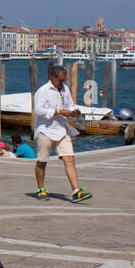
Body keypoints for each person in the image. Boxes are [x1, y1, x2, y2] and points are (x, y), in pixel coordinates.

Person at [33, 65, 91, 201]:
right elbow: (39, 111)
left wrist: (73, 111)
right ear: (53, 78)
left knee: (69, 158)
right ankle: (40, 188)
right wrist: (58, 112)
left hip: (61, 129)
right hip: (45, 130)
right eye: (60, 81)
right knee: (42, 161)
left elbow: (69, 104)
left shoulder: (65, 89)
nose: (63, 83)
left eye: (64, 81)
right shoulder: (42, 91)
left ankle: (76, 190)